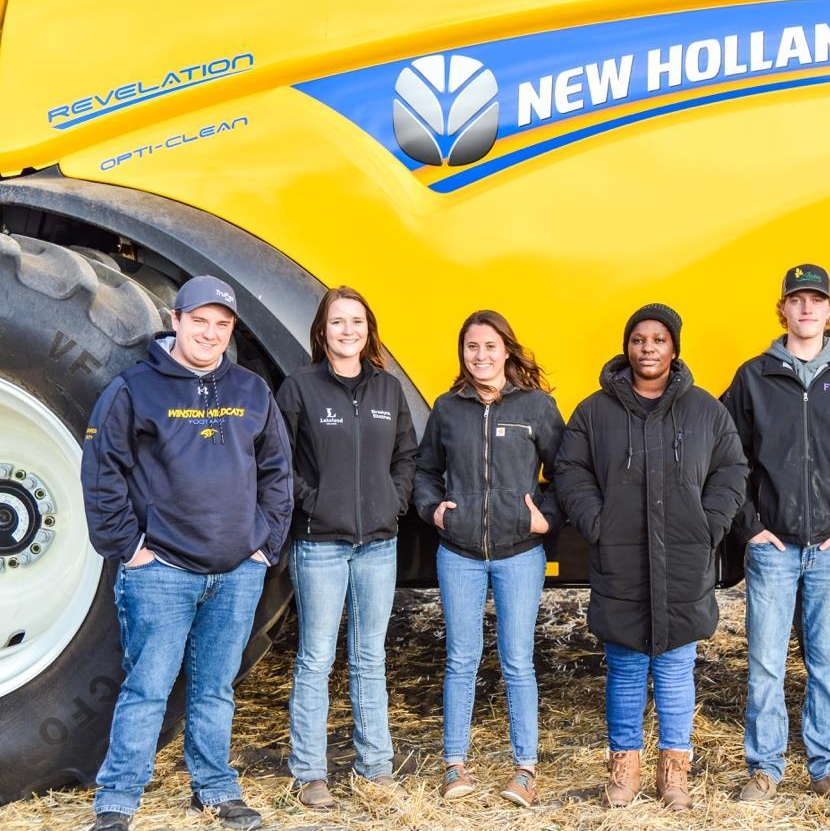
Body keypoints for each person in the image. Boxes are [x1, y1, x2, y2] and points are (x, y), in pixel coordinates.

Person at [81, 276, 292, 831]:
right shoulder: (135, 389)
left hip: (236, 572)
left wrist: (264, 546)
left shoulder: (251, 391)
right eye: (199, 321)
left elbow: (278, 473)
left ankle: (215, 790)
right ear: (175, 320)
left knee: (215, 690)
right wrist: (129, 549)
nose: (210, 333)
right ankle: (118, 800)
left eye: (222, 325)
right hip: (161, 571)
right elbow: (102, 473)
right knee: (147, 688)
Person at [556, 303, 748, 811]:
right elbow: (569, 470)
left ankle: (674, 774)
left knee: (676, 668)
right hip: (620, 558)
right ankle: (624, 769)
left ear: (674, 348)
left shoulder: (705, 411)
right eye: (639, 339)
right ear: (627, 347)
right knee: (624, 667)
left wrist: (709, 525)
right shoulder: (594, 412)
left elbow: (732, 470)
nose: (648, 348)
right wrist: (596, 522)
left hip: (683, 559)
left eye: (659, 340)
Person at [723, 264, 830, 807]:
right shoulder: (754, 377)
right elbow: (730, 459)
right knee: (765, 664)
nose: (807, 308)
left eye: (816, 300)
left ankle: (827, 766)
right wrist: (750, 527)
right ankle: (765, 769)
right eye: (797, 299)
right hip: (773, 548)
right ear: (784, 309)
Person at [412, 309, 564, 808]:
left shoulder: (537, 406)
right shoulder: (447, 408)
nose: (480, 356)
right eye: (472, 347)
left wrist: (544, 518)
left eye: (490, 347)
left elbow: (566, 471)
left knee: (517, 660)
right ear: (463, 353)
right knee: (461, 659)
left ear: (506, 351)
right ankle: (454, 765)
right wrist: (434, 510)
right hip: (459, 553)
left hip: (519, 553)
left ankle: (525, 770)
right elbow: (424, 470)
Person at [274, 286, 418, 809]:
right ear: (322, 330)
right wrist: (311, 501)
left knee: (369, 656)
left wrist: (393, 501)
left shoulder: (388, 390)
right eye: (337, 322)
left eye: (356, 321)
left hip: (378, 544)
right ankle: (310, 773)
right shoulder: (300, 388)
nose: (347, 330)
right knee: (316, 657)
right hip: (320, 545)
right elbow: (277, 458)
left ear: (368, 330)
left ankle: (375, 767)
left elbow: (407, 456)